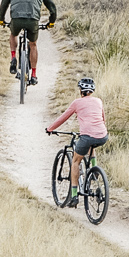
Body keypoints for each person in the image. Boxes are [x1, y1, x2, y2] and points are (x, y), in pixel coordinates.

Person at [44, 77, 106, 205]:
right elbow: (103, 120)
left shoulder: (77, 103)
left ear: (80, 91)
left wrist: (50, 129)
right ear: (92, 91)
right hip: (102, 135)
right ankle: (94, 172)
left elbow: (63, 118)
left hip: (87, 136)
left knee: (75, 161)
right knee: (91, 145)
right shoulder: (99, 101)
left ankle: (73, 197)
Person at [0, 0, 57, 85]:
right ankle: (33, 75)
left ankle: (13, 57)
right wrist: (51, 22)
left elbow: (4, 4)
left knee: (13, 34)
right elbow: (52, 6)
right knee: (33, 44)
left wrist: (1, 20)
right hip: (32, 20)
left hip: (16, 19)